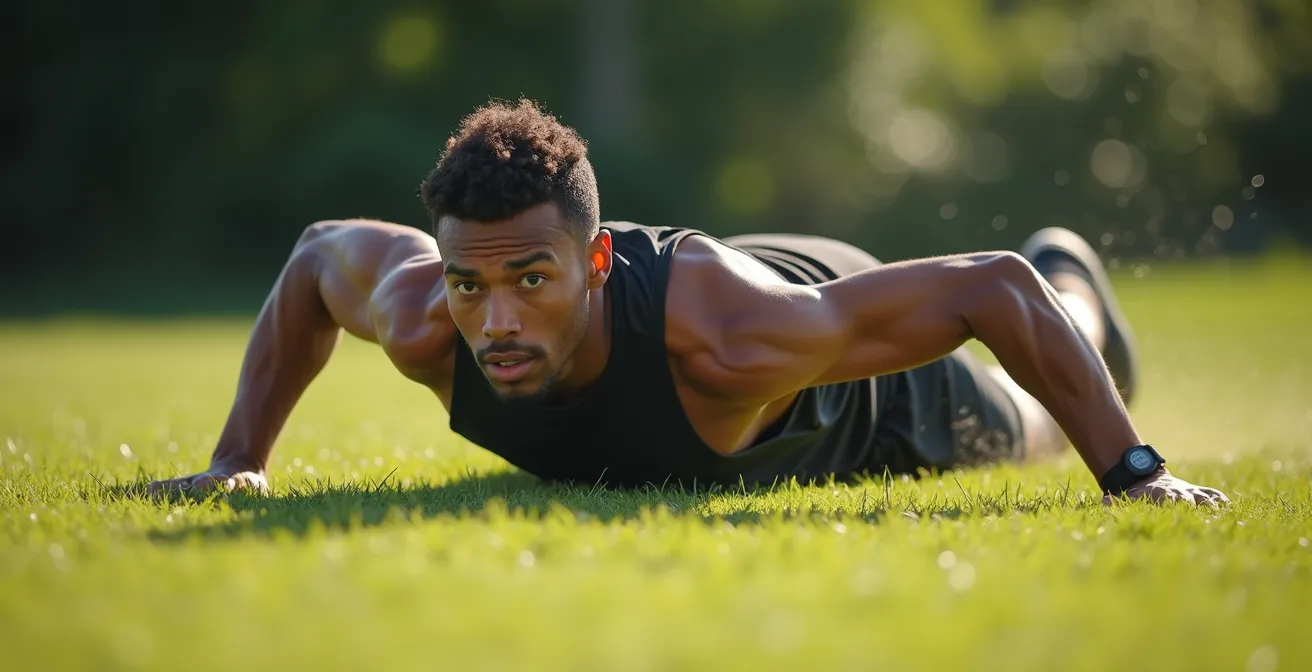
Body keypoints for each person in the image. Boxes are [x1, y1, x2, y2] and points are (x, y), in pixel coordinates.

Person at [147, 99, 1229, 506]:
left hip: (839, 380)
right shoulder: (428, 313)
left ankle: (1085, 296)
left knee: (1027, 420)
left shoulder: (729, 344)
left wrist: (1137, 478)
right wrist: (240, 459)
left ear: (596, 261)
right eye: (472, 284)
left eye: (533, 281)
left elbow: (990, 287)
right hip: (730, 286)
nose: (497, 322)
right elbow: (313, 258)